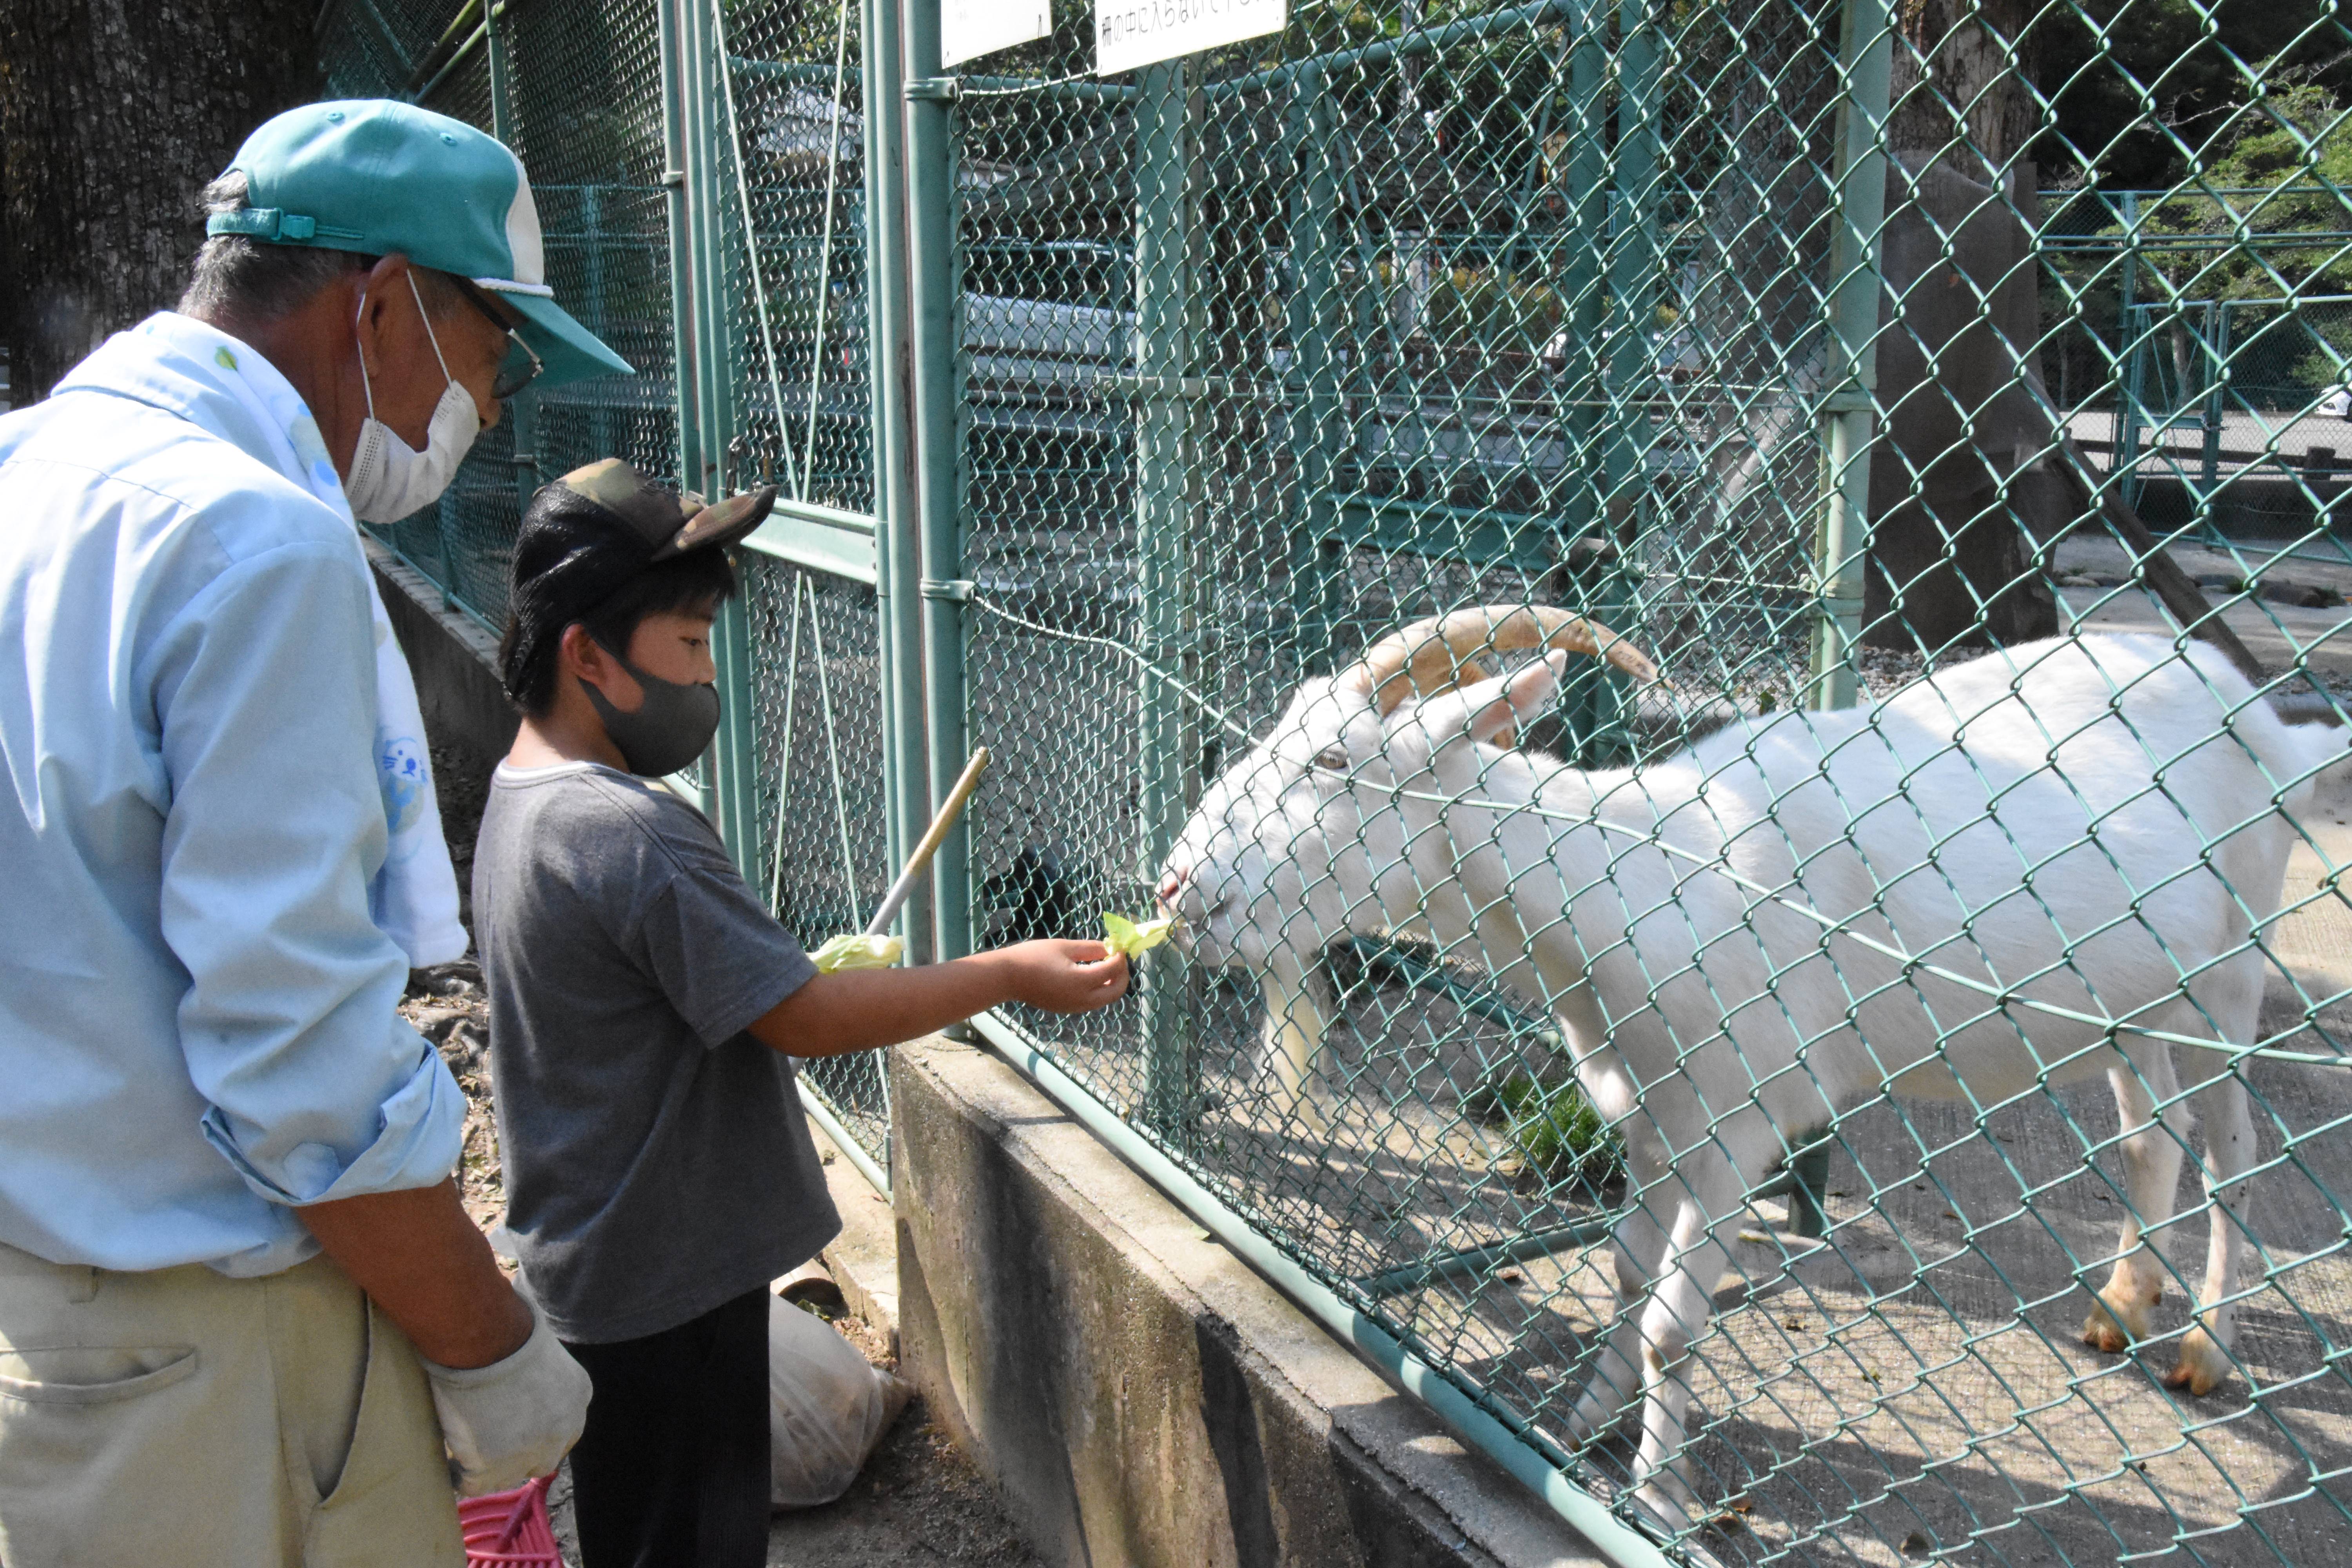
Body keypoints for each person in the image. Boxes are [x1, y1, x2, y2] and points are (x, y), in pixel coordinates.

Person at [0, 100, 635, 1566]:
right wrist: (493, 1350)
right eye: (495, 354)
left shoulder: (36, 469)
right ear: (386, 302)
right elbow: (301, 1071)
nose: (488, 402)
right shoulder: (254, 544)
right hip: (220, 1370)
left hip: (50, 1322)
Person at [475, 459, 1131, 1568]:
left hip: (603, 1281)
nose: (706, 678)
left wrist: (773, 976)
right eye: (686, 647)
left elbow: (670, 997)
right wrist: (1008, 971)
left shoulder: (521, 799)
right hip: (671, 1290)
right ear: (588, 654)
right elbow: (808, 1019)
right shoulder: (630, 829)